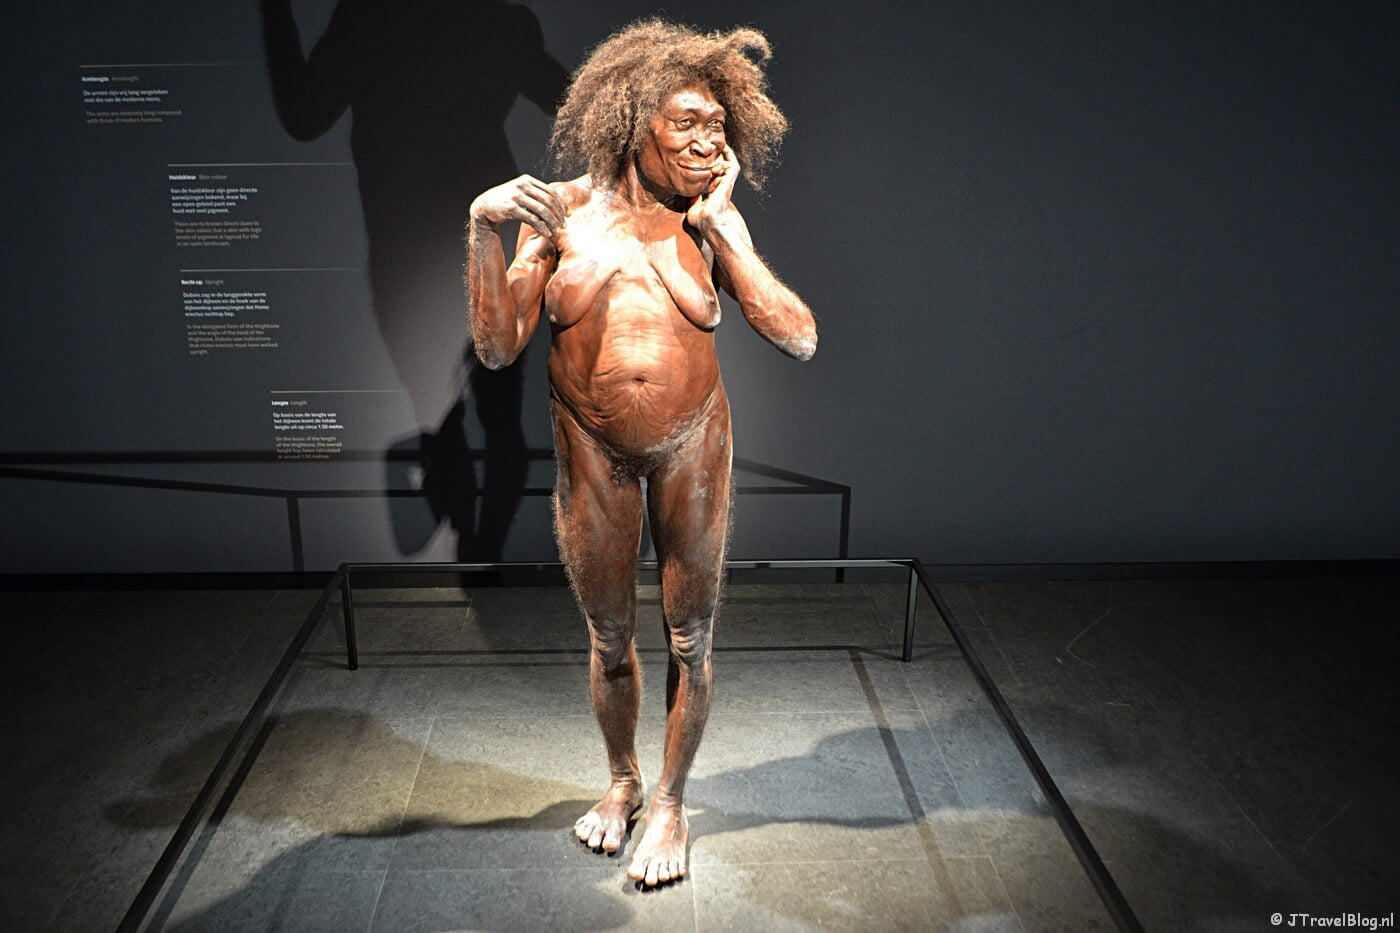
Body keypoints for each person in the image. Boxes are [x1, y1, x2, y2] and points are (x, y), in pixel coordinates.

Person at [465, 18, 816, 887]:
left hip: (693, 442)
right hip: (591, 446)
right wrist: (480, 227)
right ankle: (623, 779)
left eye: (718, 128)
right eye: (688, 123)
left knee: (690, 637)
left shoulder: (707, 223)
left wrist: (726, 230)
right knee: (610, 633)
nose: (709, 144)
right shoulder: (561, 212)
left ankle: (670, 799)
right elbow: (497, 348)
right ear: (632, 121)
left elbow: (800, 336)